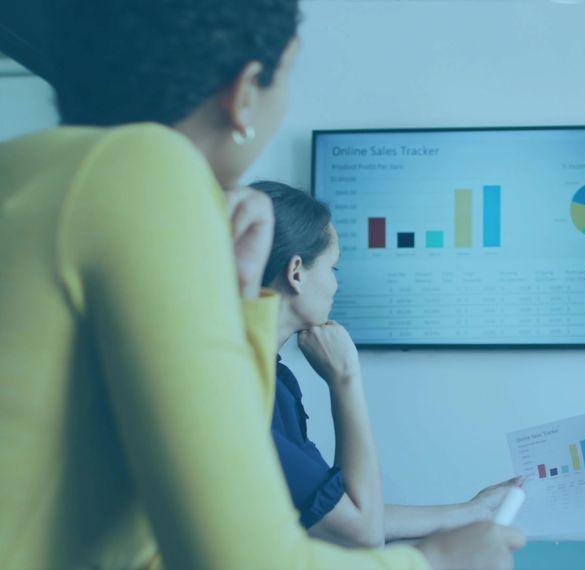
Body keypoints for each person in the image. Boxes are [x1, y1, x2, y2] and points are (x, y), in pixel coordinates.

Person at [0, 1, 522, 568]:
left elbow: (155, 524)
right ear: (245, 90)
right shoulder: (149, 172)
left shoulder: (23, 168)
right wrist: (437, 562)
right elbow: (239, 558)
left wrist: (243, 301)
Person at [251, 180, 522, 547]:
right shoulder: (243, 387)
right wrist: (345, 378)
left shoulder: (277, 379)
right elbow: (359, 532)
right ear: (296, 272)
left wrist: (474, 510)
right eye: (334, 269)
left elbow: (338, 512)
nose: (336, 286)